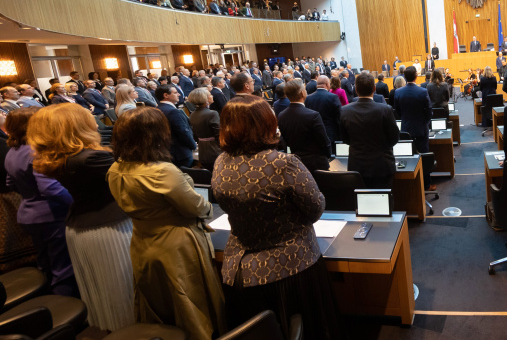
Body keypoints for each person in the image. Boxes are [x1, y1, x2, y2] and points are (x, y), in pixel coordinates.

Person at [212, 96, 341, 338]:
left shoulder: (221, 162)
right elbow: (315, 208)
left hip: (238, 273)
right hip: (291, 270)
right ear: (266, 124)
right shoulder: (284, 163)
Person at [107, 108, 226, 339]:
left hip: (142, 240)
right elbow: (196, 207)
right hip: (176, 243)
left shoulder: (115, 169)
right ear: (156, 134)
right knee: (187, 299)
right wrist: (209, 208)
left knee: (158, 299)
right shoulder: (162, 172)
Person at [28, 104, 135, 331]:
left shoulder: (59, 158)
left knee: (102, 290)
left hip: (81, 227)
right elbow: (135, 179)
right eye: (88, 119)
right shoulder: (90, 159)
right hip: (109, 229)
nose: (96, 123)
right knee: (121, 287)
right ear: (75, 127)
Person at [4, 108, 78, 297]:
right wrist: (77, 203)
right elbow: (51, 188)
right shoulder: (37, 151)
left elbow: (10, 183)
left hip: (28, 213)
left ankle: (47, 300)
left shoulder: (12, 151)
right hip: (50, 215)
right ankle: (65, 309)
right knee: (64, 267)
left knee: (45, 262)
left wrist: (31, 194)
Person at [340, 73, 400, 188]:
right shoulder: (385, 109)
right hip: (382, 164)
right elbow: (394, 138)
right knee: (384, 201)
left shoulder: (345, 111)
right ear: (374, 88)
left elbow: (345, 139)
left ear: (356, 90)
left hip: (357, 165)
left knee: (362, 202)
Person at [277, 80, 331, 173]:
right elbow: (323, 140)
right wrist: (328, 155)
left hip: (296, 163)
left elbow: (284, 140)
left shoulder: (281, 115)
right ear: (302, 93)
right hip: (317, 163)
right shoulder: (313, 115)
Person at [394, 67, 433, 155]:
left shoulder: (398, 92)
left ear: (404, 76)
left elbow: (397, 110)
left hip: (406, 128)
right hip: (421, 128)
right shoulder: (423, 91)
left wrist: (405, 118)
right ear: (416, 76)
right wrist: (425, 122)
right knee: (423, 155)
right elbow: (429, 111)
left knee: (408, 155)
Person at [156, 85, 196, 167]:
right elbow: (183, 131)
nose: (179, 95)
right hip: (180, 153)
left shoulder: (157, 108)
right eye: (175, 93)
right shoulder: (173, 111)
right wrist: (193, 145)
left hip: (167, 151)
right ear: (166, 95)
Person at [187, 88, 221, 171]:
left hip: (203, 151)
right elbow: (219, 134)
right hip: (215, 150)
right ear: (205, 98)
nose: (212, 95)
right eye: (210, 94)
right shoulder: (212, 113)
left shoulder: (193, 114)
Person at [305, 75, 342, 151]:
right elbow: (339, 115)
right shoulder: (333, 97)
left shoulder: (308, 98)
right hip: (330, 133)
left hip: (314, 133)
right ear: (327, 84)